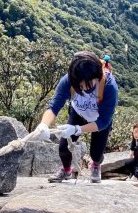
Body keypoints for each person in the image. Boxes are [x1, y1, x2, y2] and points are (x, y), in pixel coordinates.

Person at [35, 51, 118, 183]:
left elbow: (103, 121)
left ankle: (96, 164)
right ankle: (67, 170)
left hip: (98, 120)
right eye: (80, 85)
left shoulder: (109, 86)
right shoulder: (69, 79)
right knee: (63, 147)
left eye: (88, 84)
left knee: (96, 154)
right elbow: (54, 106)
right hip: (78, 113)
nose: (84, 88)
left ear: (98, 76)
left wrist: (77, 129)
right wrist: (43, 125)